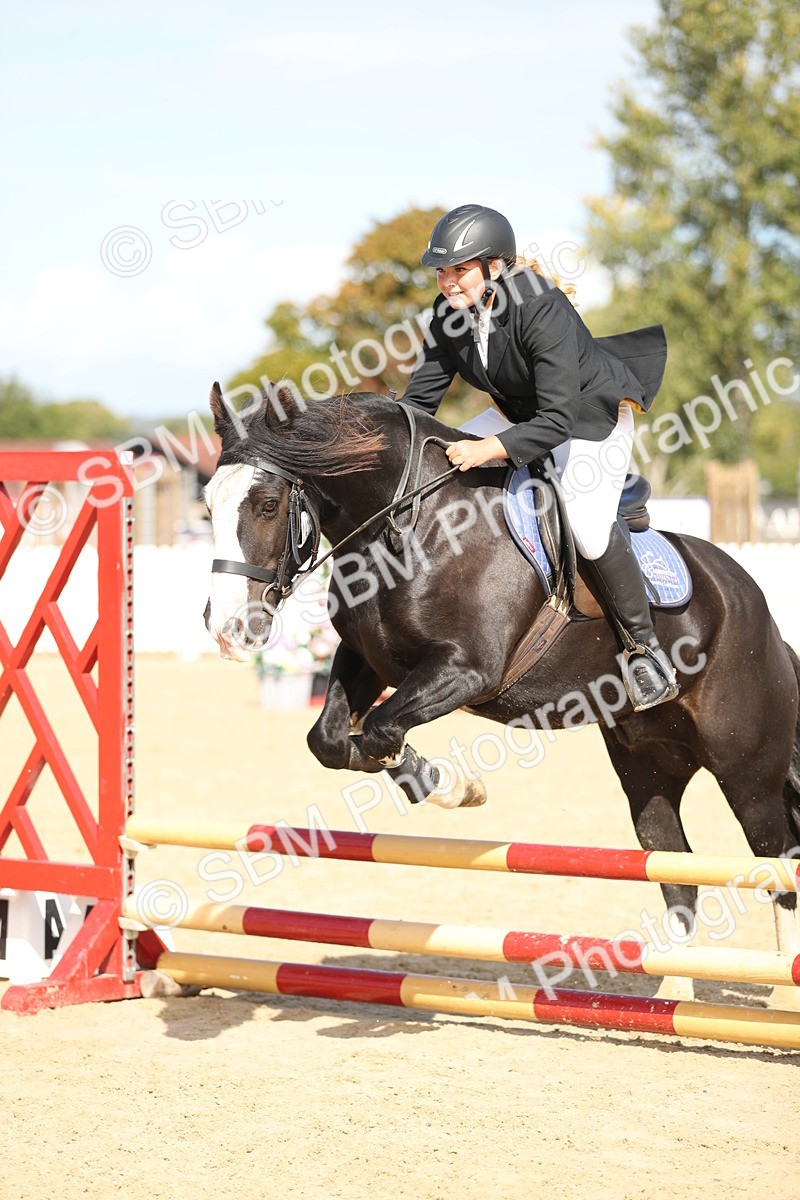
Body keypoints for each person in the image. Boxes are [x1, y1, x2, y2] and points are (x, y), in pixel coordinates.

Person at [401, 203, 679, 710]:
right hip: (519, 414)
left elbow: (556, 420)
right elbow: (417, 406)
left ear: (494, 266)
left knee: (589, 531)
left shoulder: (540, 305)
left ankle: (646, 652)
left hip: (589, 417)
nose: (447, 281)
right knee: (434, 460)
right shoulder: (447, 315)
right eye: (442, 270)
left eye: (459, 269)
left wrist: (488, 449)